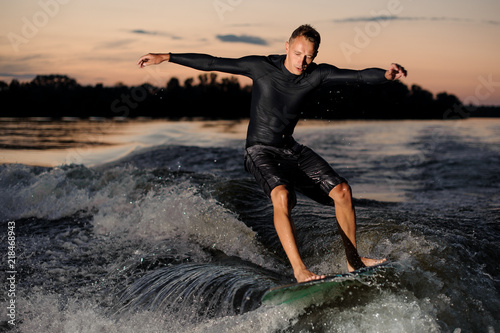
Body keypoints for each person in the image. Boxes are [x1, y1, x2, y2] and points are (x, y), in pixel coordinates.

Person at [137, 24, 407, 283]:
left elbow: (357, 76)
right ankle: (300, 270)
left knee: (343, 191)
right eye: (298, 53)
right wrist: (165, 57)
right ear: (287, 46)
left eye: (309, 57)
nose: (301, 61)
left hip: (290, 148)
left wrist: (385, 75)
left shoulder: (315, 74)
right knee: (281, 195)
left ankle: (354, 261)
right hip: (259, 150)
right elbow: (213, 63)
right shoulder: (262, 67)